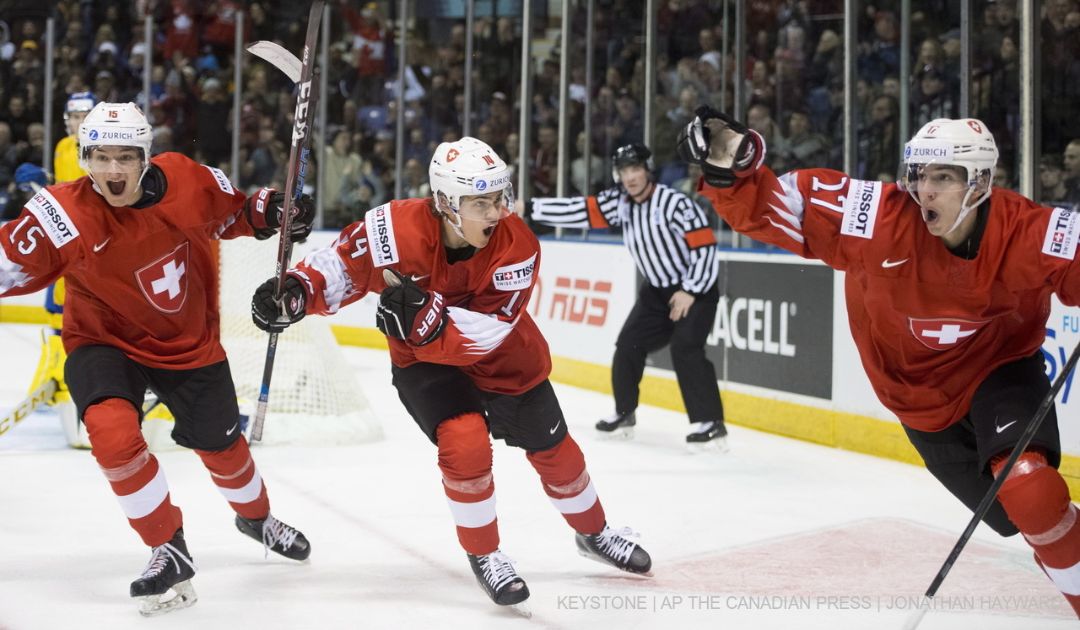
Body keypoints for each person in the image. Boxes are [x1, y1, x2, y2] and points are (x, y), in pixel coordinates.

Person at [677, 106, 1080, 617]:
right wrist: (733, 170)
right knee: (1020, 519)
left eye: (944, 177)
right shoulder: (875, 218)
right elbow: (778, 207)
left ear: (979, 183)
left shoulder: (1027, 231)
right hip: (915, 401)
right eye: (919, 174)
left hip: (998, 369)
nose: (925, 189)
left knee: (1031, 491)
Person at [250, 137, 652, 610]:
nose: (496, 212)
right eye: (480, 202)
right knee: (466, 442)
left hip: (504, 358)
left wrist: (431, 318)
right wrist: (298, 291)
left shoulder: (518, 245)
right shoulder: (392, 228)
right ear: (444, 203)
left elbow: (489, 332)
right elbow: (341, 264)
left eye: (499, 198)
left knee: (556, 451)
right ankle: (486, 554)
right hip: (426, 366)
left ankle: (595, 533)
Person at [0, 102, 315, 616]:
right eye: (101, 158)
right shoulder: (63, 213)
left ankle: (256, 518)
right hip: (102, 341)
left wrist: (275, 213)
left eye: (126, 157)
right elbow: (7, 262)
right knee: (111, 437)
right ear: (83, 157)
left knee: (224, 449)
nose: (114, 171)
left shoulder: (188, 181)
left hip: (186, 345)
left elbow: (236, 212)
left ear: (146, 157)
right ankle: (166, 545)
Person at [518, 143, 727, 449]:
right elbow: (580, 211)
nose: (630, 177)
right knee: (628, 345)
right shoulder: (621, 204)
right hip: (656, 293)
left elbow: (706, 247)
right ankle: (624, 412)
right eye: (624, 171)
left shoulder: (674, 204)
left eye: (635, 169)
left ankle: (711, 424)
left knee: (686, 349)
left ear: (647, 170)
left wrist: (690, 290)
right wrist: (530, 208)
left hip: (696, 290)